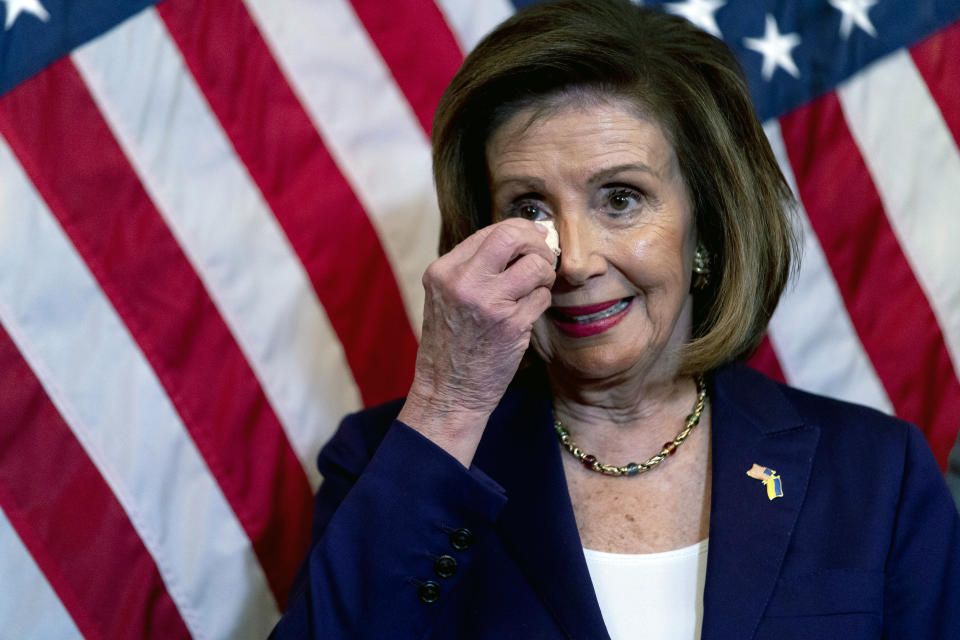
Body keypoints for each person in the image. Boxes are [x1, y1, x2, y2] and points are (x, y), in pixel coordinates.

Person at [270, 1, 960, 638]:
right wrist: (450, 405)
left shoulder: (875, 473)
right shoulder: (387, 463)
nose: (572, 260)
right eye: (529, 209)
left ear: (707, 228)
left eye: (621, 199)